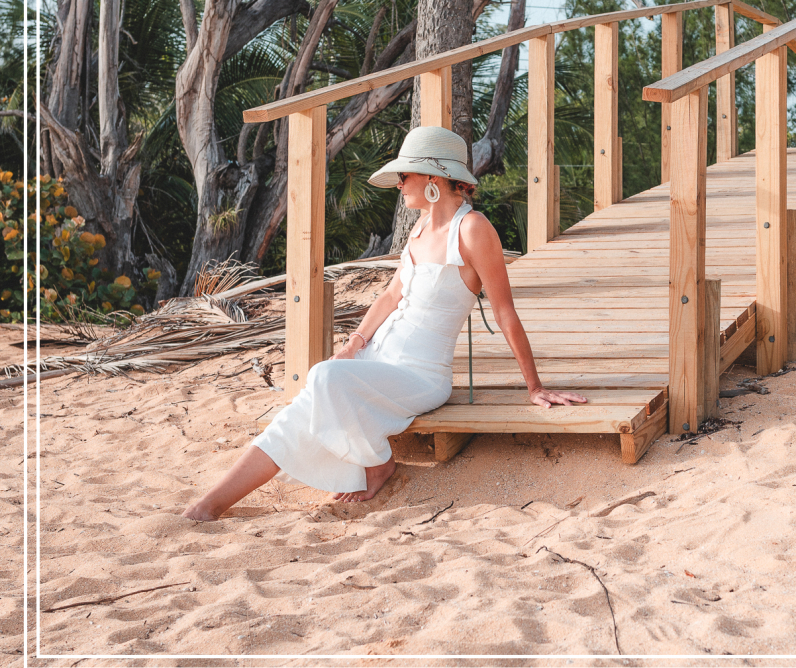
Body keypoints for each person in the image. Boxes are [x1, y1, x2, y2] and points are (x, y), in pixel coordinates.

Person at [182, 127, 587, 521]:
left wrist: (534, 386)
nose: (398, 183)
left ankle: (378, 463)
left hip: (420, 375)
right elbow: (391, 296)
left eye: (404, 174)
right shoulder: (420, 227)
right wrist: (354, 343)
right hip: (378, 359)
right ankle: (210, 505)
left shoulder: (473, 229)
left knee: (324, 378)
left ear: (434, 176)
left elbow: (505, 312)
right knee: (300, 407)